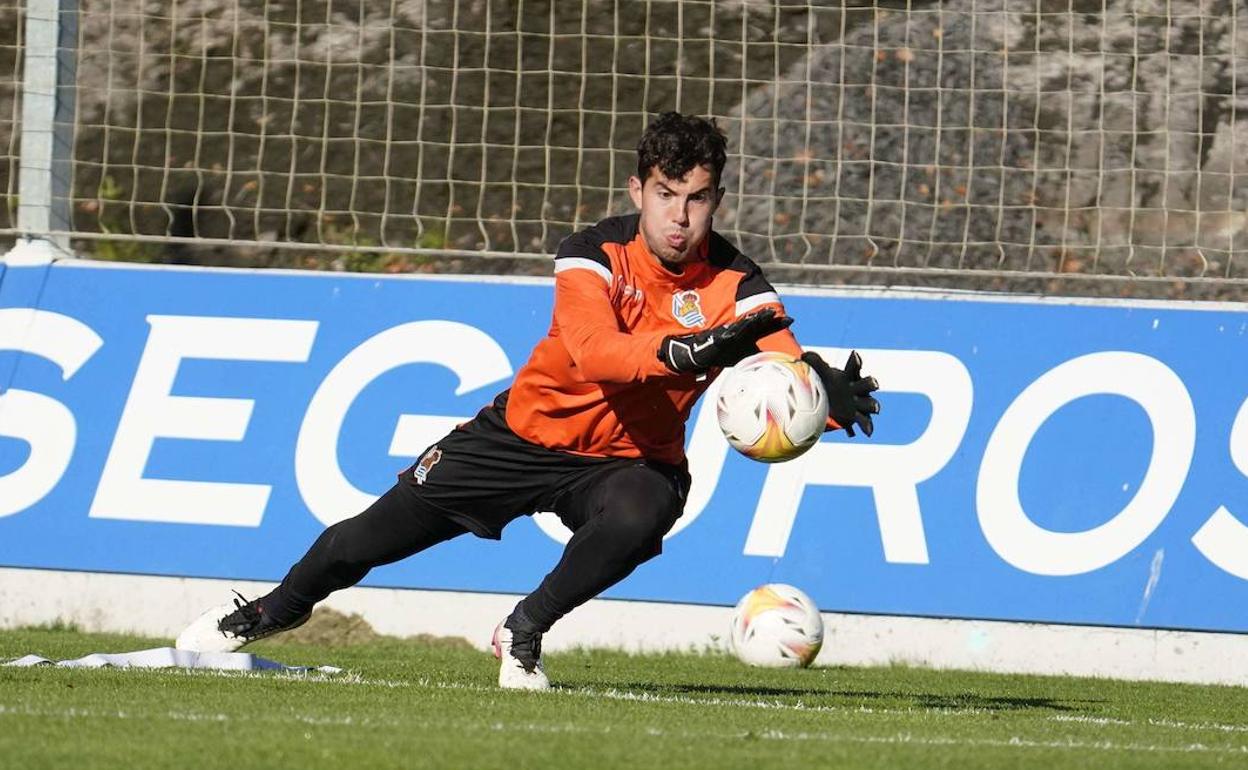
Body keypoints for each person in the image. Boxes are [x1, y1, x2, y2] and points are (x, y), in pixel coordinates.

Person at [175, 112, 881, 690]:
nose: (679, 216)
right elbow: (594, 351)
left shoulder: (739, 284)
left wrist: (820, 397)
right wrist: (685, 352)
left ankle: (523, 630)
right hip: (519, 437)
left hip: (629, 462)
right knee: (357, 543)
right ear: (638, 191)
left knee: (642, 515)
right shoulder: (592, 253)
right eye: (666, 195)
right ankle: (268, 612)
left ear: (716, 201)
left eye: (696, 199)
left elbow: (782, 368)